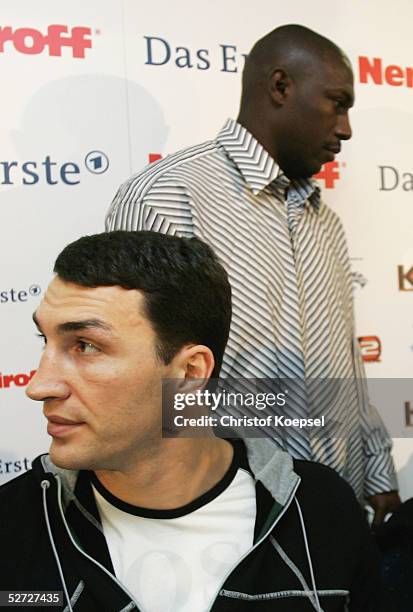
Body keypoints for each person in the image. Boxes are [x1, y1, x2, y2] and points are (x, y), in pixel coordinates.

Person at [0, 231, 390, 611]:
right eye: (44, 341)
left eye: (85, 346)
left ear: (189, 373)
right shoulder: (15, 525)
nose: (39, 385)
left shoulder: (319, 511)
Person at [105, 24, 400, 523]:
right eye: (337, 102)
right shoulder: (168, 197)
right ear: (281, 87)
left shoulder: (323, 220)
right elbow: (144, 385)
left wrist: (376, 472)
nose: (346, 128)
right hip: (231, 515)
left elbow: (346, 362)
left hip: (338, 507)